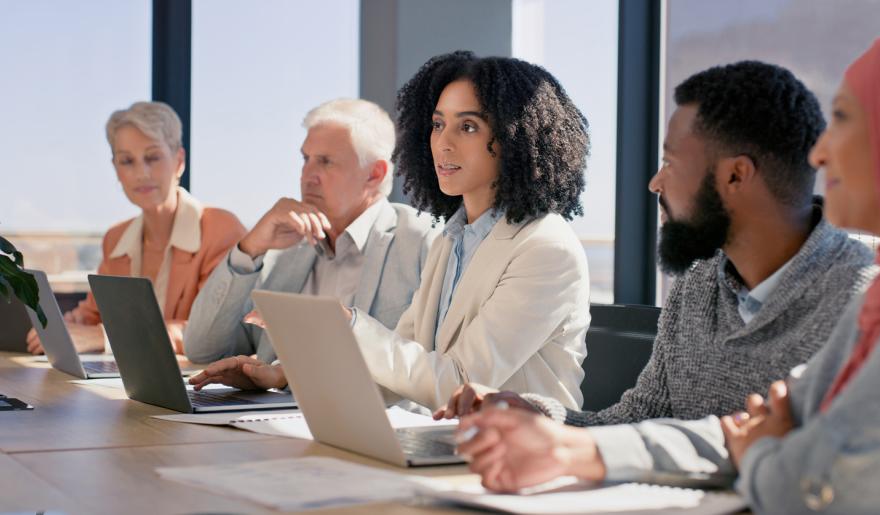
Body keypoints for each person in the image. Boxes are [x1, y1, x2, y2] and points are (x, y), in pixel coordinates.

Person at [458, 30, 880, 513]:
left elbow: (820, 480)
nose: (821, 154)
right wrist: (544, 419)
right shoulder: (879, 297)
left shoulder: (874, 296)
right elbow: (699, 431)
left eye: (669, 160)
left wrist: (761, 452)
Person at [437, 60, 873, 423]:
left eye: (670, 162)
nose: (654, 183)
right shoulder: (699, 283)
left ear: (736, 175)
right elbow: (638, 421)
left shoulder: (864, 300)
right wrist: (530, 412)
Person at [191, 51, 592, 411]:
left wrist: (344, 322)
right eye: (437, 124)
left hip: (519, 461)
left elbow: (458, 383)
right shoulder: (452, 238)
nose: (443, 144)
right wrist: (282, 376)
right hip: (447, 448)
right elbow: (398, 372)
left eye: (467, 127)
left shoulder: (546, 248)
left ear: (514, 139)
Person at [183, 98, 436, 367]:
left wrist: (284, 376)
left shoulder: (424, 242)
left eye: (325, 162)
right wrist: (250, 249)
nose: (307, 175)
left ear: (374, 174)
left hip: (372, 409)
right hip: (273, 408)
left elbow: (427, 373)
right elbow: (202, 349)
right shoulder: (284, 248)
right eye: (306, 159)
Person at [26, 101, 245, 355]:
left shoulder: (220, 229)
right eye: (127, 161)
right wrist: (61, 329)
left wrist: (104, 337)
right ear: (116, 170)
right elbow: (92, 315)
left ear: (179, 161)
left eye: (152, 157)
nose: (141, 173)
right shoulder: (116, 238)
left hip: (193, 387)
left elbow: (211, 334)